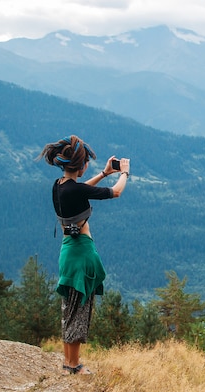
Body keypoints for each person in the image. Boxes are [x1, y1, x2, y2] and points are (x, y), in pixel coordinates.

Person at [39, 135, 130, 375]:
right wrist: (124, 174)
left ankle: (68, 363)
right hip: (82, 254)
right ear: (80, 166)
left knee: (68, 310)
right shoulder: (75, 190)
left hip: (67, 253)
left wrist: (104, 172)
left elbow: (80, 190)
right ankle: (74, 366)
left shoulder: (59, 186)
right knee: (79, 310)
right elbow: (116, 193)